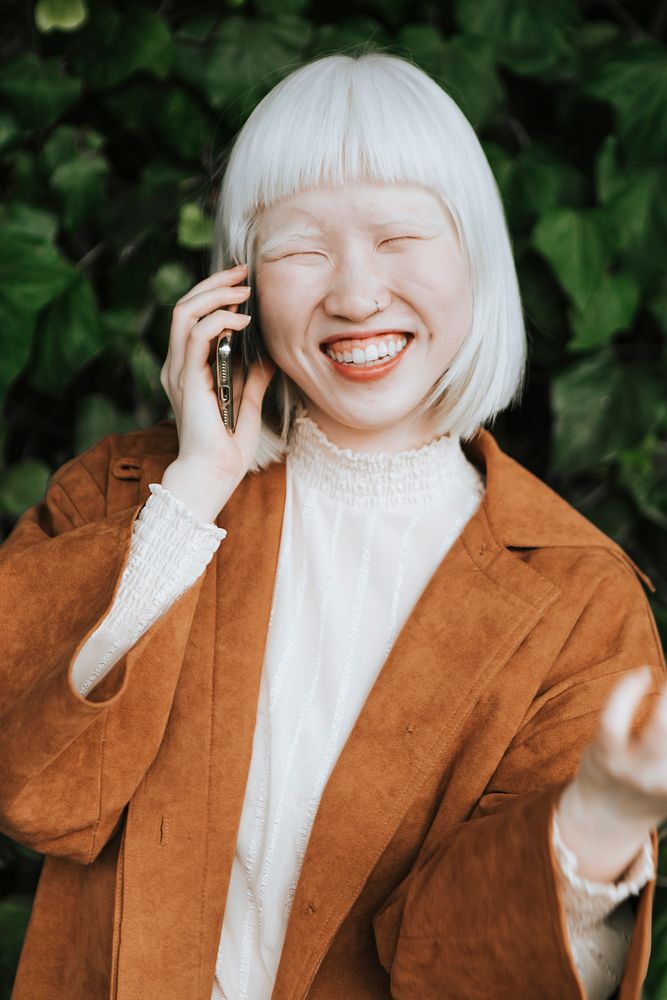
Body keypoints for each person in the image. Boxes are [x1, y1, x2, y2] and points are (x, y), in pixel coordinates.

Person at [1, 51, 666, 1000]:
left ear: (475, 258)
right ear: (237, 289)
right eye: (301, 249)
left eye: (399, 239)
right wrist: (192, 492)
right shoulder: (121, 498)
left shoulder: (577, 600)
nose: (355, 295)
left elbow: (472, 978)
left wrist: (593, 830)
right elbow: (41, 795)